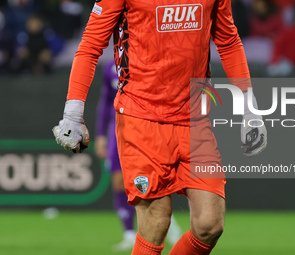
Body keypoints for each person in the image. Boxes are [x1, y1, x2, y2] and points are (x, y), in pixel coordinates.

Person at [53, 1, 267, 254]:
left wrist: (250, 109)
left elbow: (229, 41)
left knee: (210, 225)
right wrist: (73, 113)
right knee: (156, 223)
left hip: (194, 120)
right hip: (141, 118)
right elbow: (90, 45)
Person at [95, 60, 182, 251]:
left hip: (145, 126)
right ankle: (128, 234)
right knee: (119, 181)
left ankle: (167, 223)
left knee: (150, 181)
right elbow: (105, 101)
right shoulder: (110, 67)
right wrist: (100, 134)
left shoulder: (149, 61)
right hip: (117, 129)